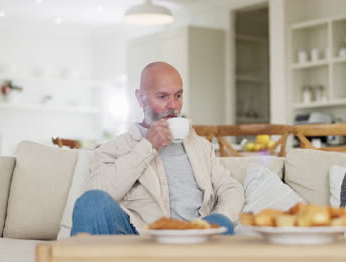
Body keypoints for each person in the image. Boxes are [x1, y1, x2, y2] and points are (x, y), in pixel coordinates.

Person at [71, 61, 244, 235]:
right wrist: (148, 146)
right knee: (92, 201)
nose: (173, 106)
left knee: (222, 222)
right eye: (162, 97)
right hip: (141, 238)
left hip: (196, 239)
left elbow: (230, 189)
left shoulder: (201, 147)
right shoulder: (116, 147)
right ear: (140, 98)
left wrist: (214, 219)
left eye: (178, 95)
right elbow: (94, 196)